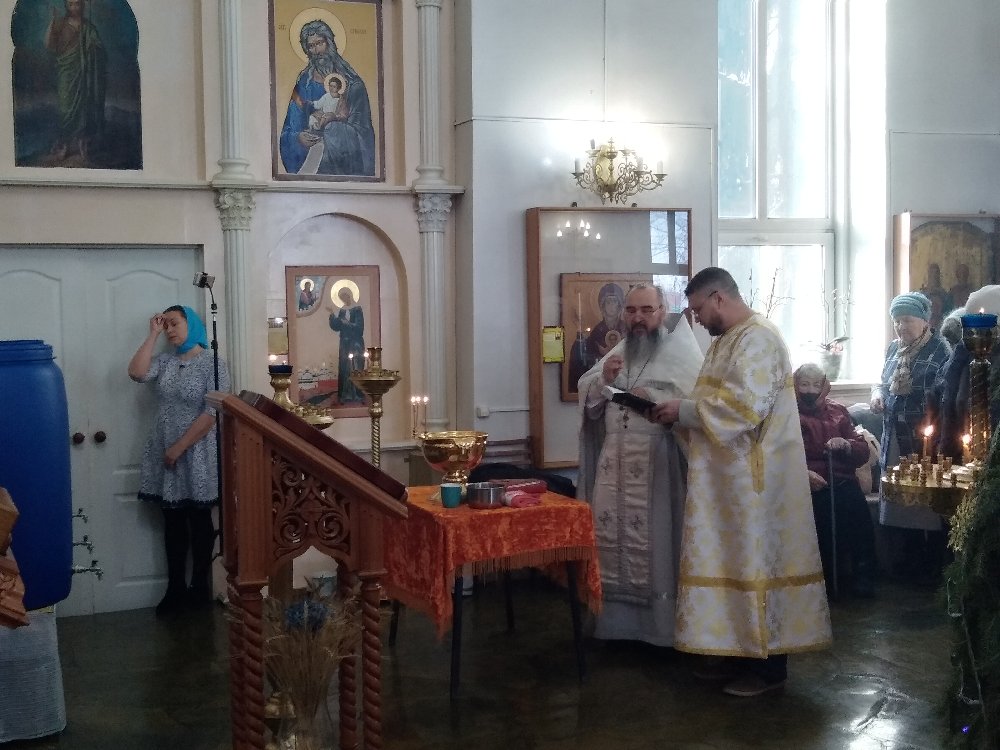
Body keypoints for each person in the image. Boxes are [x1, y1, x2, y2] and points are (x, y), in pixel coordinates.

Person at [650, 267, 831, 697]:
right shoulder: (725, 341)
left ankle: (769, 669)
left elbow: (744, 407)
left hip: (756, 484)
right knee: (733, 565)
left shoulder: (759, 339)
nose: (696, 320)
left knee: (758, 564)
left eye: (698, 310)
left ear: (718, 298)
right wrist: (677, 413)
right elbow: (710, 401)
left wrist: (684, 411)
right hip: (726, 482)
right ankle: (736, 655)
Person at [577, 283, 703, 647]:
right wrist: (604, 380)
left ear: (662, 311)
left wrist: (656, 396)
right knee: (608, 538)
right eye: (631, 310)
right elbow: (590, 402)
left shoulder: (682, 353)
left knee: (658, 544)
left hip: (657, 464)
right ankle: (614, 626)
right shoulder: (619, 351)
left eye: (647, 310)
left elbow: (696, 402)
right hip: (613, 464)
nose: (638, 318)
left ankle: (660, 630)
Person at [129, 306, 231, 617]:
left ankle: (199, 588)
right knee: (172, 522)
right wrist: (153, 334)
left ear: (192, 324)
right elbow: (136, 373)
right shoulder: (165, 362)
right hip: (164, 450)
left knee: (199, 520)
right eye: (166, 326)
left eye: (175, 324)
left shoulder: (213, 364)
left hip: (197, 451)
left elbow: (212, 413)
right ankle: (174, 589)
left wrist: (180, 446)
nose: (170, 330)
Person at [870, 292, 950, 582]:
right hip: (894, 436)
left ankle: (930, 567)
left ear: (925, 321)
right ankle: (905, 562)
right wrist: (878, 395)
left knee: (925, 503)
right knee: (900, 500)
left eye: (907, 320)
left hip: (923, 440)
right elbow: (882, 382)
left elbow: (944, 395)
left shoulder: (941, 350)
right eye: (897, 321)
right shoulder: (894, 349)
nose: (901, 327)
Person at [794, 363, 878, 599]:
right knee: (822, 513)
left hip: (842, 479)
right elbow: (782, 453)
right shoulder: (787, 414)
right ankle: (824, 580)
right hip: (808, 481)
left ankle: (863, 575)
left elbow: (862, 451)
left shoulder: (838, 411)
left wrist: (846, 445)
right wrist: (802, 474)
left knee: (856, 510)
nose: (810, 390)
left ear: (824, 386)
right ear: (795, 385)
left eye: (815, 384)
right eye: (804, 384)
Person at [278, 19, 376, 177]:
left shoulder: (353, 84)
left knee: (333, 129)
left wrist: (333, 123)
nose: (316, 50)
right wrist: (298, 138)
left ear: (329, 43)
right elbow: (290, 127)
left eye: (320, 43)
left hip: (341, 161)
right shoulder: (304, 84)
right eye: (311, 46)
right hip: (309, 156)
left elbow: (362, 133)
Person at [44, 0, 106, 162]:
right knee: (65, 110)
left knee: (83, 110)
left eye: (77, 4)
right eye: (71, 4)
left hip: (83, 74)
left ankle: (82, 145)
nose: (74, 8)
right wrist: (52, 22)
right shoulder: (61, 24)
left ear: (82, 6)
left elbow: (99, 47)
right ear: (66, 6)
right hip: (66, 72)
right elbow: (49, 45)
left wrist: (93, 48)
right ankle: (64, 145)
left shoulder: (88, 27)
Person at [327, 286, 365, 404]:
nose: (343, 299)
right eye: (341, 298)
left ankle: (357, 394)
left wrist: (345, 323)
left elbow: (359, 328)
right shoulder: (342, 311)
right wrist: (332, 315)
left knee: (355, 366)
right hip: (344, 343)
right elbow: (336, 326)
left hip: (356, 342)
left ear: (350, 296)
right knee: (344, 367)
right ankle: (345, 395)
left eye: (345, 297)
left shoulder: (357, 309)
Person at [920, 263, 951, 332]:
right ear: (928, 275)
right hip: (926, 326)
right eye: (932, 273)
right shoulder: (922, 294)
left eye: (936, 273)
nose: (934, 276)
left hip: (940, 326)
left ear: (939, 275)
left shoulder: (944, 294)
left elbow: (949, 311)